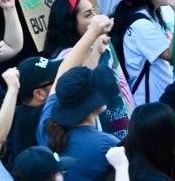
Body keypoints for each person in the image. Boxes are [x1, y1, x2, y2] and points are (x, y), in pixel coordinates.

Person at [37, 14, 122, 180]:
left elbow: (63, 71)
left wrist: (93, 35)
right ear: (91, 103)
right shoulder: (108, 146)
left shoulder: (46, 128)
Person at [111, 0, 175, 106]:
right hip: (151, 106)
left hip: (158, 102)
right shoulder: (141, 25)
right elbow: (171, 56)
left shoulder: (148, 16)